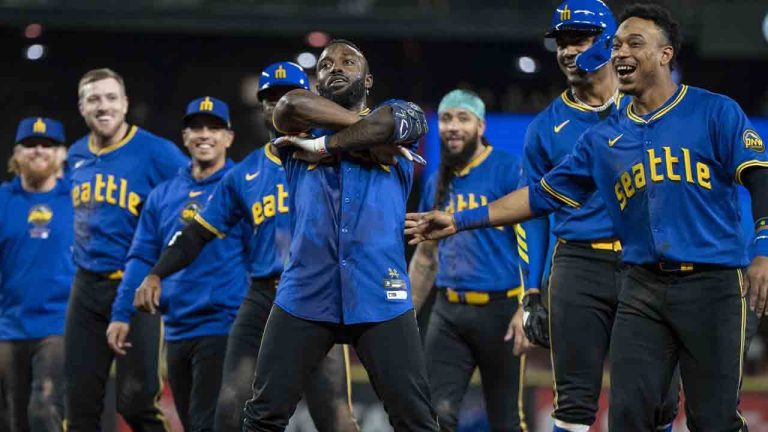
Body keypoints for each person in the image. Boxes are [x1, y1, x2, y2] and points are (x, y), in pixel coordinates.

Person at [405, 4, 768, 431]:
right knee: (626, 413)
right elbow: (541, 198)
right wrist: (461, 221)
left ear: (666, 53)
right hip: (638, 282)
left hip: (713, 282)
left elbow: (760, 179)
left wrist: (762, 250)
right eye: (617, 46)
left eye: (634, 43)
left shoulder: (715, 111)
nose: (621, 52)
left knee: (712, 419)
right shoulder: (601, 138)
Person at [133, 63, 359, 432]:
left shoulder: (336, 156)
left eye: (287, 96)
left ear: (308, 102)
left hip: (316, 295)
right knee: (230, 405)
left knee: (333, 415)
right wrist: (157, 273)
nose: (278, 105)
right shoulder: (246, 173)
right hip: (262, 297)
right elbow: (197, 233)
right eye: (270, 99)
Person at [237, 39, 437, 431]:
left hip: (381, 292)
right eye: (326, 64)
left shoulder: (400, 116)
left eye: (349, 62)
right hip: (305, 293)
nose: (336, 67)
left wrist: (324, 145)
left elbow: (405, 121)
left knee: (416, 419)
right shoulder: (295, 126)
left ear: (368, 79)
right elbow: (290, 104)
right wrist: (374, 135)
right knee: (263, 416)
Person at [514, 1, 679, 430]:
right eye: (562, 42)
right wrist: (531, 291)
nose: (568, 51)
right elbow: (534, 212)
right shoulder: (544, 128)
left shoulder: (648, 106)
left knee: (656, 400)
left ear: (610, 42)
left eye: (580, 39)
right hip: (578, 265)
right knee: (573, 403)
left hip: (646, 262)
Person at [105, 97, 249, 431]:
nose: (204, 135)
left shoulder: (243, 186)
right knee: (193, 422)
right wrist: (121, 313)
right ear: (184, 137)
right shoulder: (163, 195)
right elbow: (141, 258)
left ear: (229, 137)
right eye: (196, 127)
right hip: (177, 327)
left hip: (227, 324)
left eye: (214, 127)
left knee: (211, 423)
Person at [65, 68, 188, 431]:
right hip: (85, 288)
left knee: (136, 403)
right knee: (78, 406)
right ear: (82, 107)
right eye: (94, 99)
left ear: (125, 104)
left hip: (136, 288)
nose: (103, 106)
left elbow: (200, 189)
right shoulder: (74, 155)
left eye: (110, 98)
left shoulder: (157, 152)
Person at [407, 89, 527, 431]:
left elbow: (532, 240)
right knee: (435, 415)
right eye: (446, 119)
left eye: (463, 118)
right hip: (448, 313)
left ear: (480, 125)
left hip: (501, 313)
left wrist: (527, 305)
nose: (453, 127)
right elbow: (426, 257)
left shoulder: (508, 170)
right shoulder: (437, 181)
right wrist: (401, 316)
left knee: (506, 422)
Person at [0, 118, 73, 432]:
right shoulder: (3, 199)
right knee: (14, 420)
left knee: (43, 410)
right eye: (30, 144)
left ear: (62, 154)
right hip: (8, 327)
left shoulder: (80, 200)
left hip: (59, 325)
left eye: (48, 144)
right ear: (17, 154)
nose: (39, 150)